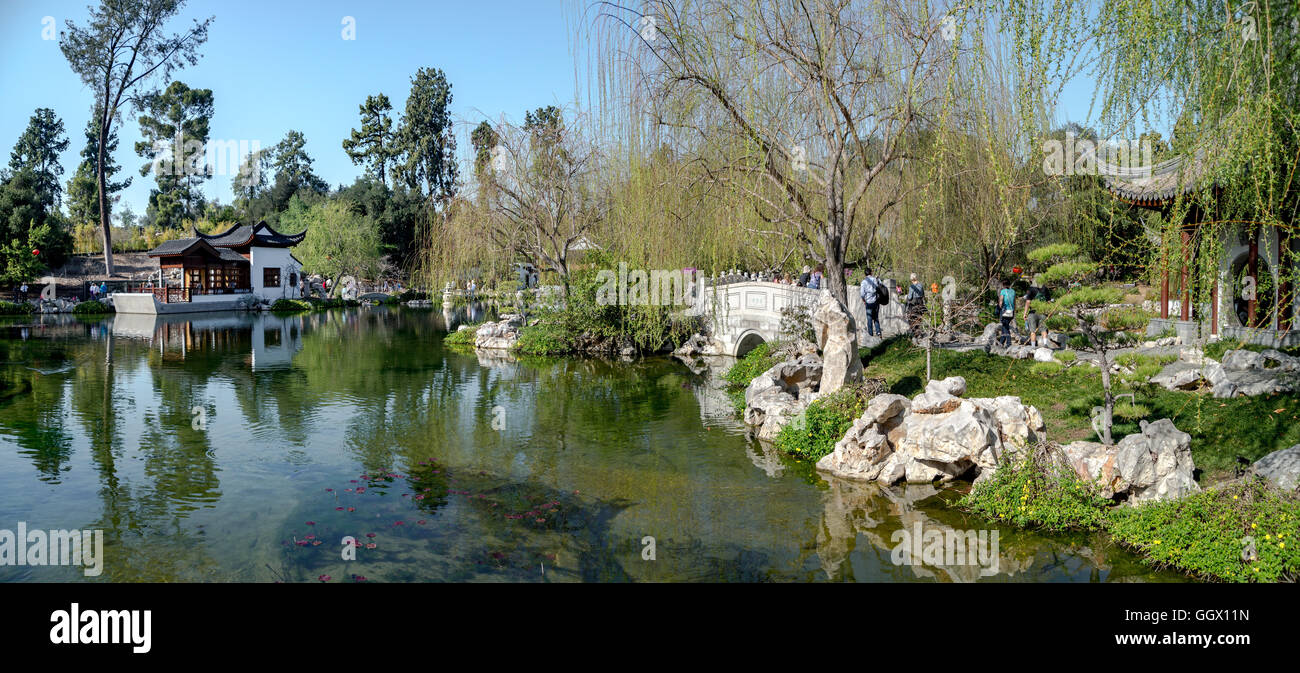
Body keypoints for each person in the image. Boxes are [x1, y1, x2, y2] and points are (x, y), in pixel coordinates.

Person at [1024, 275, 1051, 347]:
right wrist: (1049, 312)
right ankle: (1045, 343)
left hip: (1032, 312)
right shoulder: (1045, 288)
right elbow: (1049, 302)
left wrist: (1025, 313)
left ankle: (1033, 346)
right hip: (1043, 312)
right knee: (1043, 329)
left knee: (1033, 330)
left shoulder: (1031, 289)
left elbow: (1028, 302)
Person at [859, 267, 882, 337]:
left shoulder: (863, 282)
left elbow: (862, 294)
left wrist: (864, 300)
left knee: (869, 319)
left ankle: (870, 334)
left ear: (865, 274)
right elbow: (879, 286)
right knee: (876, 318)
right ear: (871, 272)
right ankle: (878, 332)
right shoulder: (874, 279)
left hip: (868, 302)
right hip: (875, 301)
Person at [998, 278, 1017, 347]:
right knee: (1005, 326)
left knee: (1005, 327)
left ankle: (1009, 342)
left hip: (1005, 311)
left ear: (1003, 285)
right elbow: (1014, 302)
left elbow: (1001, 302)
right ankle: (1001, 342)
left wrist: (999, 308)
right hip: (1011, 312)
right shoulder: (1013, 291)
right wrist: (1014, 310)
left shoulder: (1003, 291)